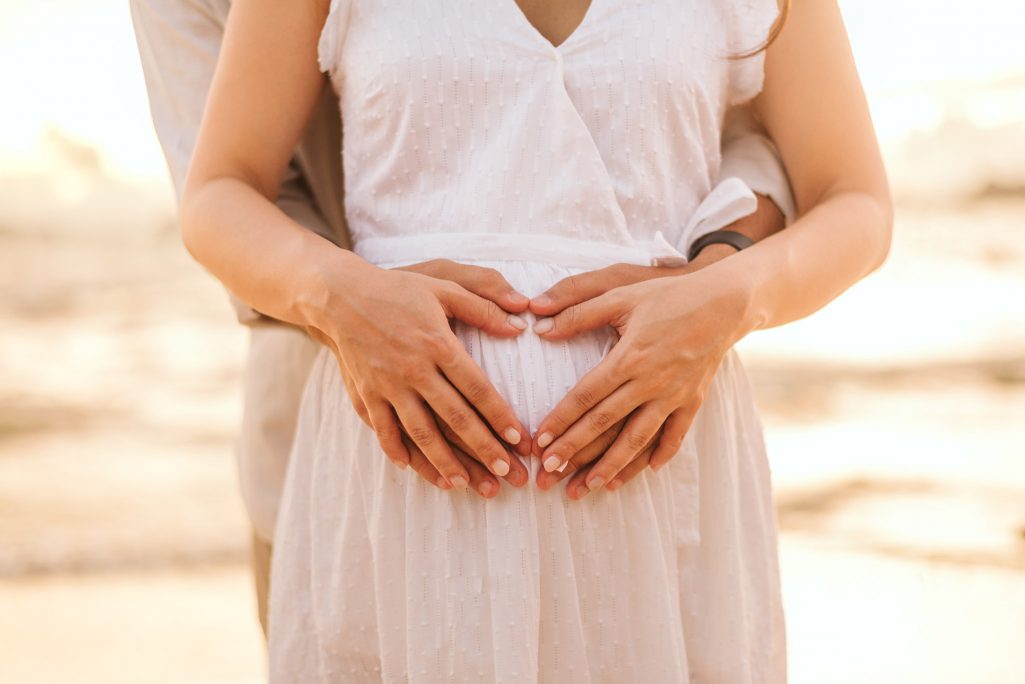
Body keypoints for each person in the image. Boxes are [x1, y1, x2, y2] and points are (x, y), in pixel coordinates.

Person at [182, 0, 894, 678]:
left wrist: (729, 297)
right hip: (403, 477)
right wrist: (338, 296)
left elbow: (853, 199)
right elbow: (219, 190)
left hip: (661, 469)